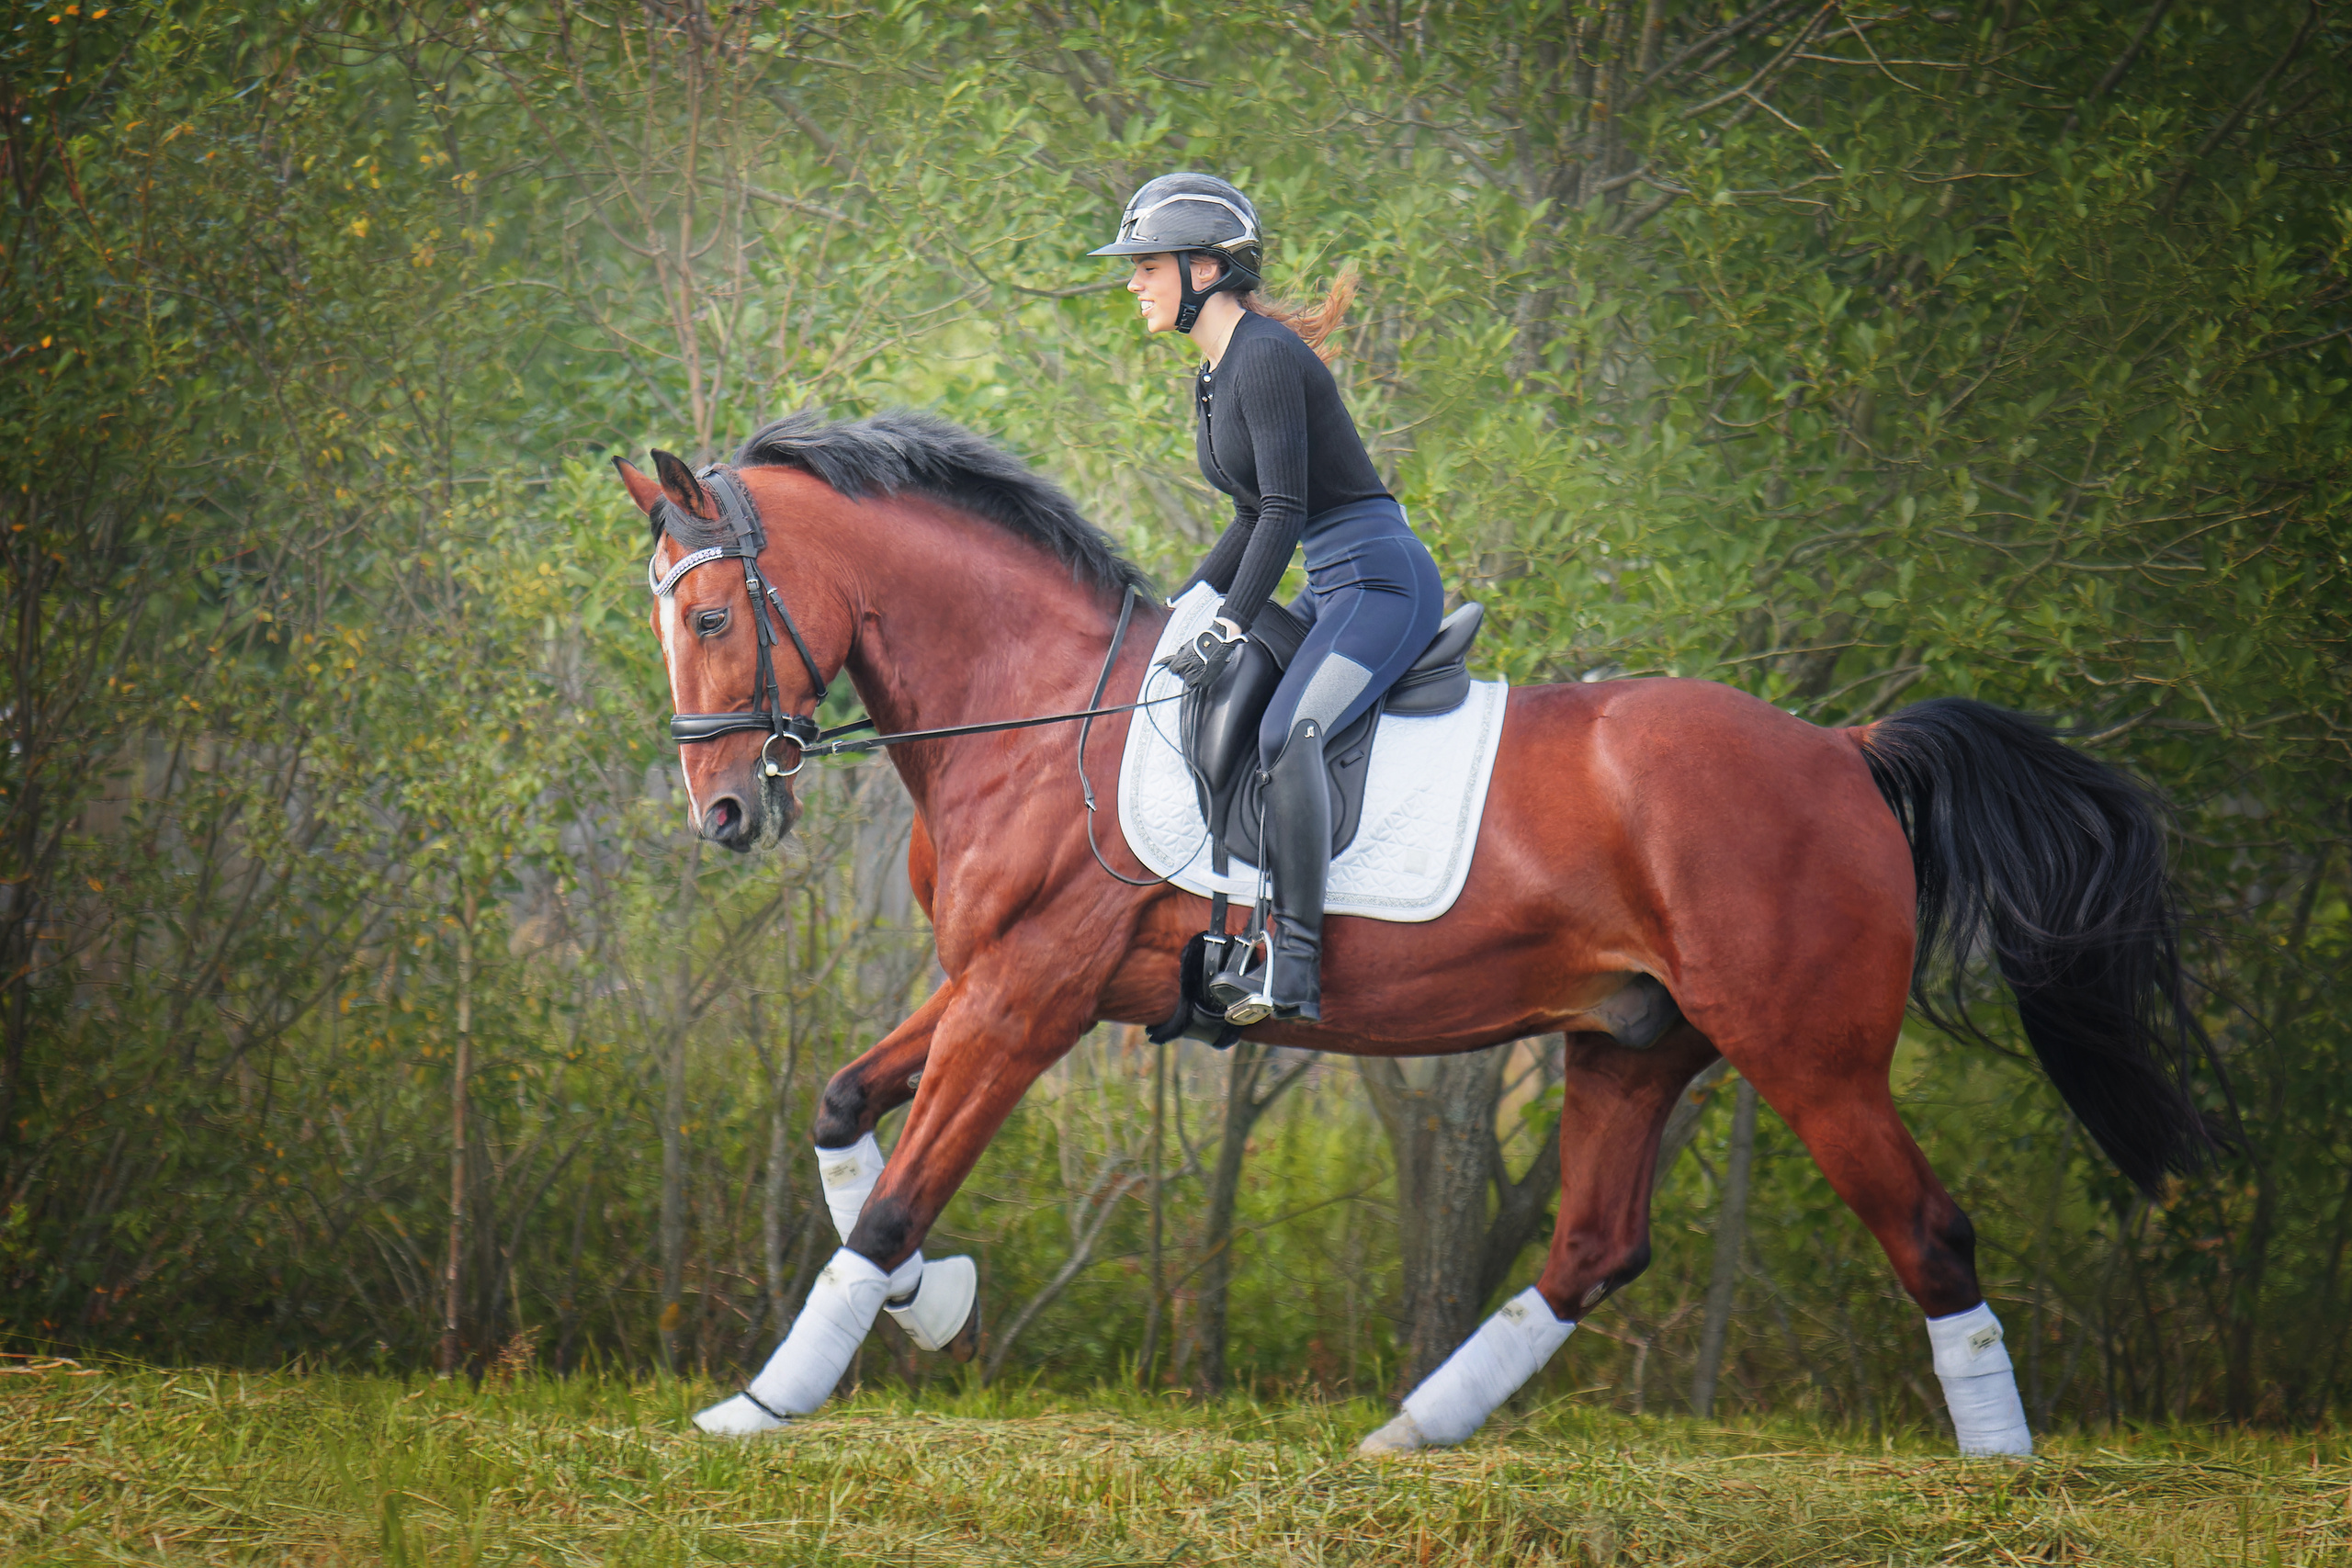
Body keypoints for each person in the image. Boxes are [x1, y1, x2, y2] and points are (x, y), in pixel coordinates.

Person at [1091, 173, 1443, 1025]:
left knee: (1292, 733)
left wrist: (1234, 619)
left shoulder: (1267, 356)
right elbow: (1252, 516)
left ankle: (1294, 967)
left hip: (1383, 582)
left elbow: (1285, 508)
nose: (1133, 280)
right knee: (1236, 699)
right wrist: (1181, 607)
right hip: (1333, 585)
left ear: (1204, 268)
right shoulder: (1214, 374)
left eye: (1146, 264)